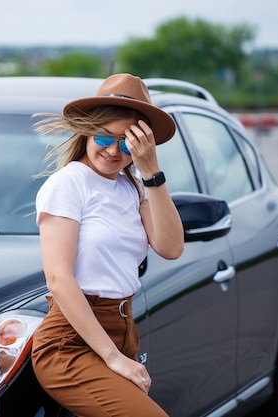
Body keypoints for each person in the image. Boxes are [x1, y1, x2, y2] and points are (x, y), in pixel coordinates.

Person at [31, 73, 184, 417]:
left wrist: (152, 172)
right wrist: (114, 358)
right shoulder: (69, 184)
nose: (113, 151)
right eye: (104, 136)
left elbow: (171, 247)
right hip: (70, 344)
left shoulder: (133, 188)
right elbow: (58, 279)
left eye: (127, 143)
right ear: (87, 130)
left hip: (122, 332)